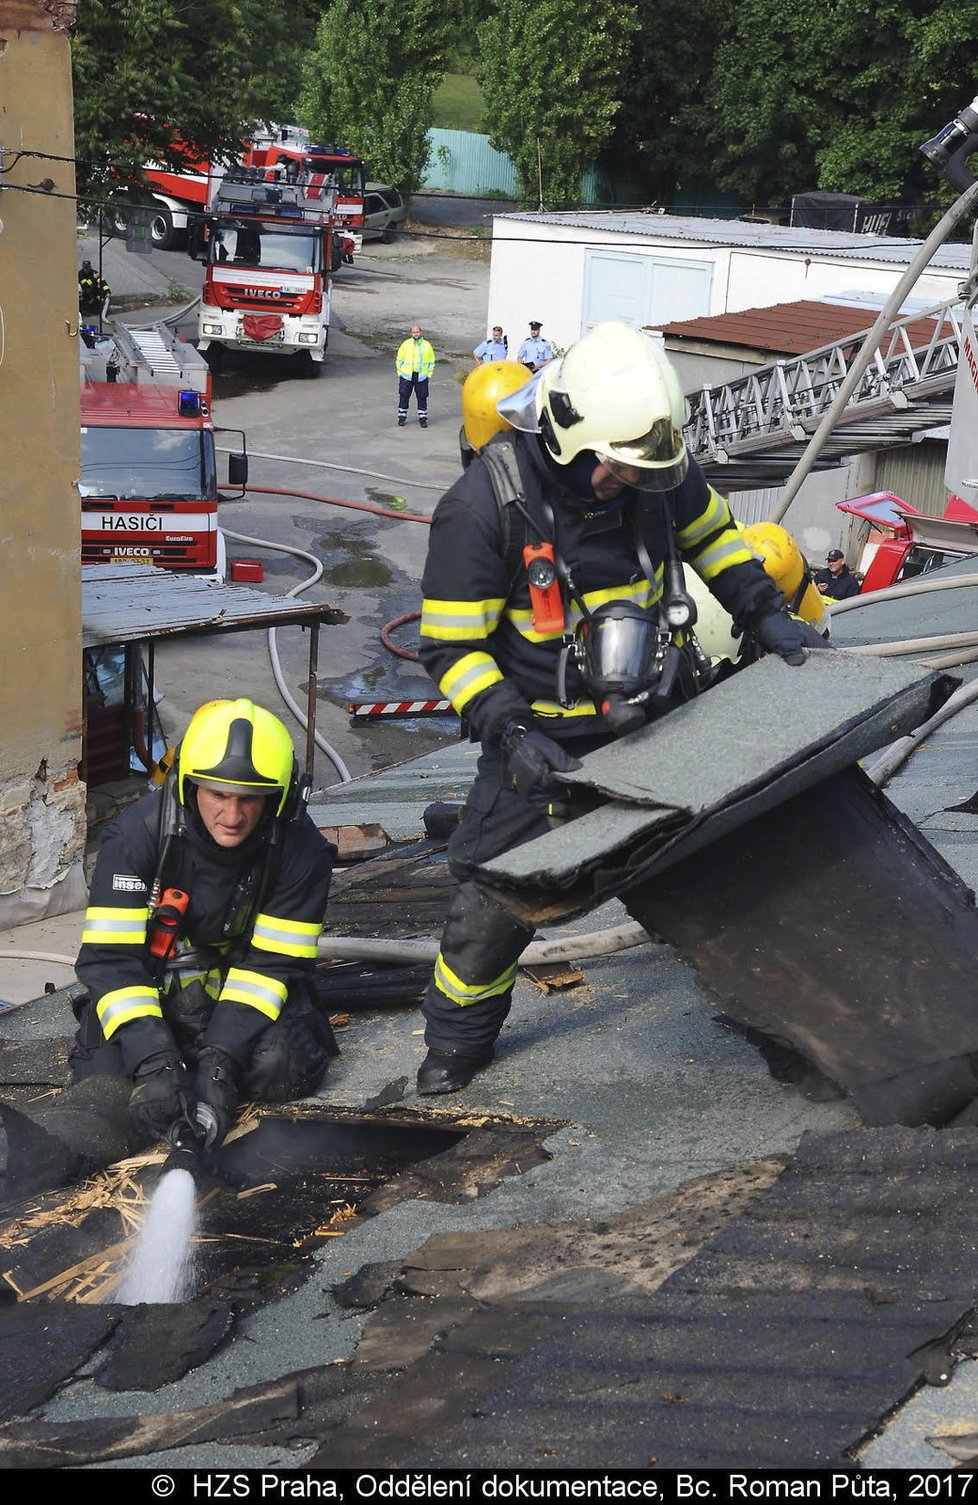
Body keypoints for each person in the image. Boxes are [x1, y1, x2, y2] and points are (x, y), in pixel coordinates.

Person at [415, 321, 829, 1094]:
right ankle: (455, 1046)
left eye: (647, 470)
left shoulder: (652, 466)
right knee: (488, 909)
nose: (634, 482)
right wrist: (509, 732)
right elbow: (450, 648)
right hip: (540, 746)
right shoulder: (483, 507)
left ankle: (795, 1034)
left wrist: (763, 611)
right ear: (569, 435)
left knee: (727, 885)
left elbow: (714, 537)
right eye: (617, 468)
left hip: (661, 718)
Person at [70, 698, 338, 1149]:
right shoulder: (135, 839)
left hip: (243, 986)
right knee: (110, 1086)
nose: (232, 818)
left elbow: (270, 967)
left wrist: (220, 1063)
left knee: (281, 1069)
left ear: (282, 796)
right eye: (218, 794)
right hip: (153, 989)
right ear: (187, 786)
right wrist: (154, 1059)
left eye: (250, 799)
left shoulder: (301, 850)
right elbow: (112, 962)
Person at [396, 322, 436, 428]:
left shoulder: (426, 345)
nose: (416, 334)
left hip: (421, 376)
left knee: (422, 397)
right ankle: (401, 417)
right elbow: (399, 359)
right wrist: (400, 373)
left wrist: (429, 374)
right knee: (404, 396)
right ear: (411, 333)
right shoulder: (406, 344)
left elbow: (431, 361)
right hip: (406, 376)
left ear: (420, 332)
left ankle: (423, 419)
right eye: (414, 332)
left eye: (417, 332)